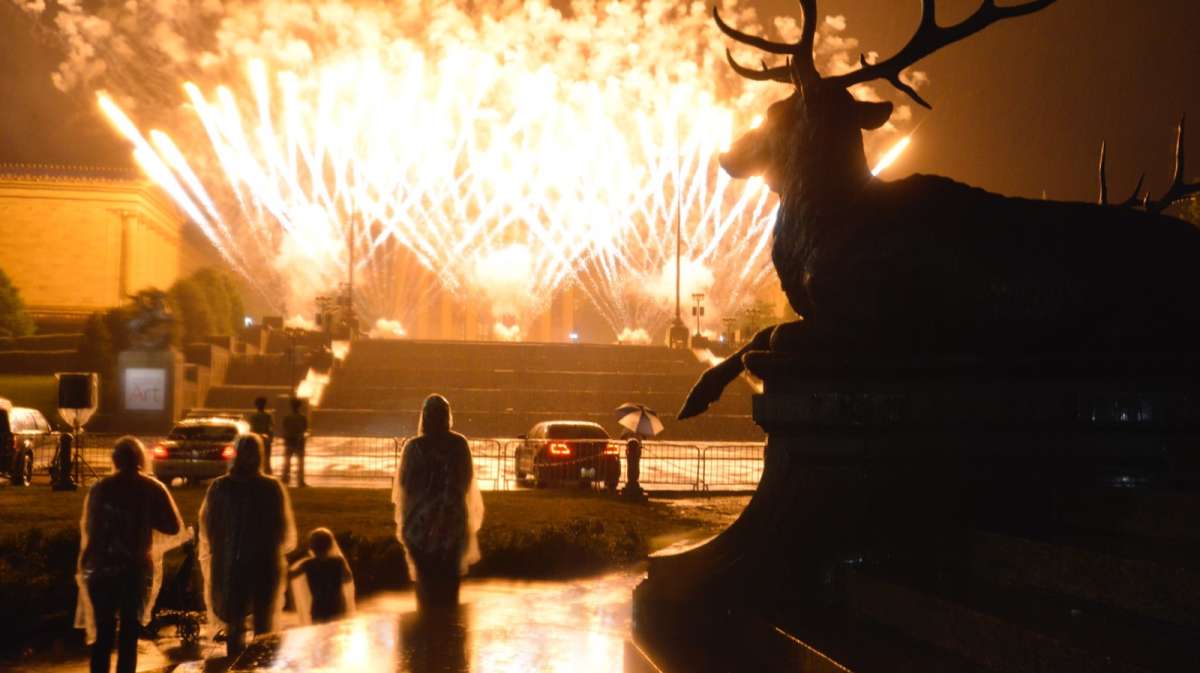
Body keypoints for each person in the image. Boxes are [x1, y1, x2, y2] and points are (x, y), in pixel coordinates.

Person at [75, 437, 186, 673]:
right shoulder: (152, 488)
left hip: (103, 568)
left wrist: (86, 564)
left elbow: (92, 531)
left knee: (103, 634)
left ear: (115, 458)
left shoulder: (101, 488)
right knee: (129, 634)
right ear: (140, 459)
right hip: (136, 569)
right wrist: (146, 519)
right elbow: (174, 527)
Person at [199, 434, 296, 659]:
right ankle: (256, 663)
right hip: (263, 562)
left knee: (237, 620)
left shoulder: (221, 487)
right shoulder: (269, 487)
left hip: (234, 562)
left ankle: (238, 661)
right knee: (260, 622)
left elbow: (209, 526)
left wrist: (224, 548)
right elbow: (281, 528)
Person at [392, 394, 484, 610]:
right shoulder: (459, 444)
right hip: (452, 522)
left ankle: (424, 632)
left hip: (420, 524)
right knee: (450, 583)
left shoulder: (414, 447)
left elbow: (405, 484)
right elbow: (466, 479)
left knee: (426, 583)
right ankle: (449, 634)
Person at [288, 528, 356, 625]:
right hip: (337, 606)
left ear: (312, 547)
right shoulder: (338, 562)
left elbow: (290, 575)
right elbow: (348, 579)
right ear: (330, 545)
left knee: (320, 634)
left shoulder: (308, 564)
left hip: (319, 608)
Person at [281, 397, 308, 487]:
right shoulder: (303, 417)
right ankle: (300, 481)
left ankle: (285, 478)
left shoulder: (287, 417)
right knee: (300, 461)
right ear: (299, 406)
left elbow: (284, 427)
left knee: (287, 460)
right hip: (299, 440)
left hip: (289, 439)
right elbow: (305, 428)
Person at [248, 396, 274, 475]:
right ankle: (267, 472)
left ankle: (256, 471)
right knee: (266, 457)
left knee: (256, 457)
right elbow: (270, 428)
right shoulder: (267, 416)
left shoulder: (253, 416)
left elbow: (251, 429)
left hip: (256, 439)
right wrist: (271, 438)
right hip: (265, 439)